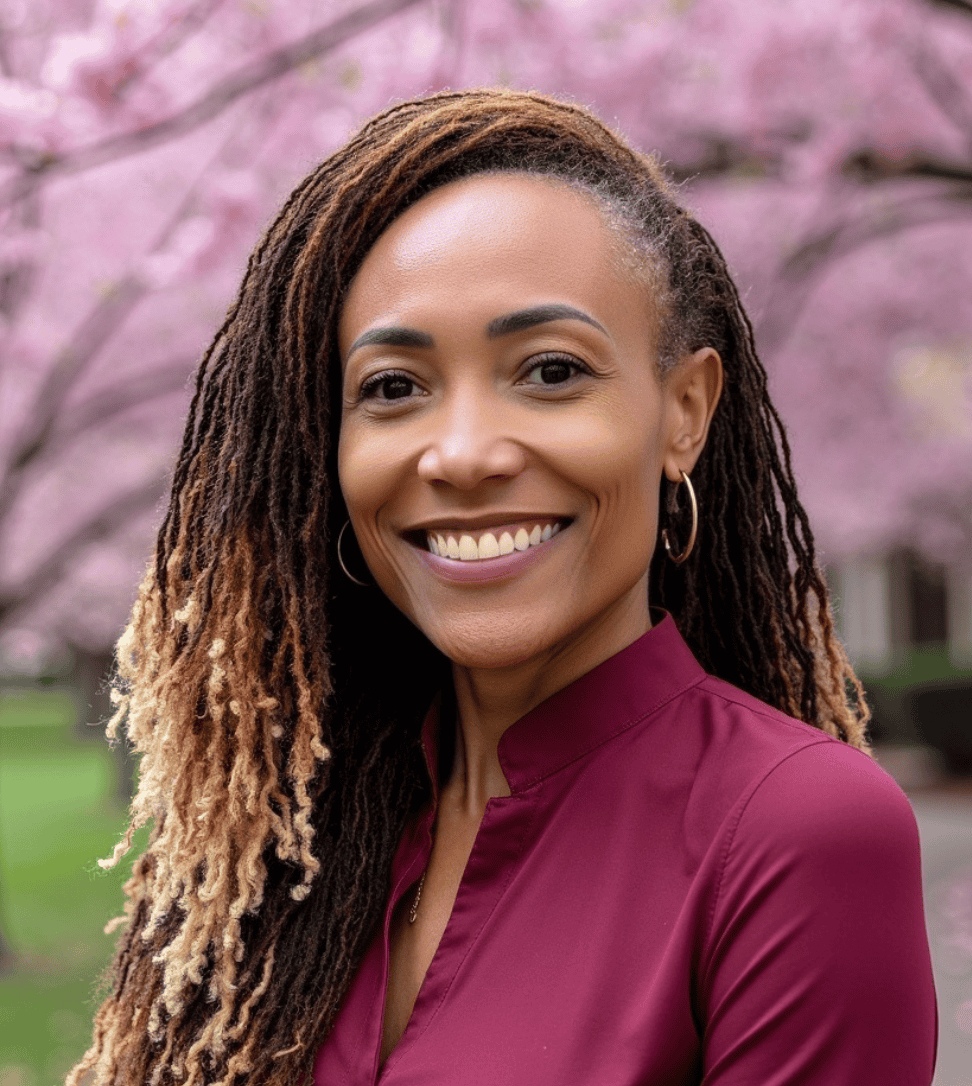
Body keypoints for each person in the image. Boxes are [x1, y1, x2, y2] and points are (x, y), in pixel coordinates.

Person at [69, 90, 937, 1086]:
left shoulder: (795, 834)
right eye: (393, 387)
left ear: (684, 412)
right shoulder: (293, 840)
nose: (465, 454)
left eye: (551, 370)